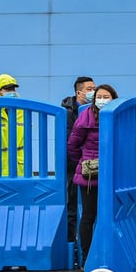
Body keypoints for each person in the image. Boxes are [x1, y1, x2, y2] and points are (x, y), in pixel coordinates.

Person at [67, 83, 116, 266]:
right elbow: (72, 145)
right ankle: (87, 258)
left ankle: (105, 256)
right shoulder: (85, 117)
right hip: (90, 174)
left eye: (106, 96)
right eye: (99, 96)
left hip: (111, 174)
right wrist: (84, 161)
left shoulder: (117, 116)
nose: (102, 100)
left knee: (109, 215)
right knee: (89, 215)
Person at [62, 76, 95, 251]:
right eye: (89, 88)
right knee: (73, 205)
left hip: (91, 167)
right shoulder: (68, 112)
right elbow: (71, 143)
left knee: (88, 210)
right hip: (75, 166)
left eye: (94, 88)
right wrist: (79, 162)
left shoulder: (94, 110)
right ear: (78, 92)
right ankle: (73, 247)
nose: (93, 92)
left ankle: (82, 249)